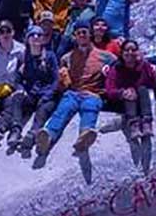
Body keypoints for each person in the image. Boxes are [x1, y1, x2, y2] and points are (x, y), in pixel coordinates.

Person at [36, 21, 116, 157]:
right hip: (73, 93)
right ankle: (48, 136)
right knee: (62, 110)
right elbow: (62, 83)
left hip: (93, 93)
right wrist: (62, 80)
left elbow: (116, 71)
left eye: (84, 32)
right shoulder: (67, 58)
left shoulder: (106, 57)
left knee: (90, 108)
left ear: (90, 34)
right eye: (78, 33)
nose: (81, 35)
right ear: (75, 36)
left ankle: (84, 136)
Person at [13, 25, 60, 158]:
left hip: (46, 94)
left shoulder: (50, 57)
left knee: (43, 110)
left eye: (39, 35)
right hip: (30, 93)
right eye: (32, 35)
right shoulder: (24, 57)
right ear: (27, 39)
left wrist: (48, 94)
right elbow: (17, 79)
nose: (36, 38)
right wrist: (20, 89)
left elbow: (56, 79)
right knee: (16, 99)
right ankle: (16, 130)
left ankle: (33, 133)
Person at [104, 39, 156, 141]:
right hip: (122, 103)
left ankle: (147, 122)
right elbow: (110, 90)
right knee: (130, 91)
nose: (130, 53)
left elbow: (152, 83)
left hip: (141, 102)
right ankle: (134, 124)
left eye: (133, 50)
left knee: (142, 89)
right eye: (127, 50)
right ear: (122, 52)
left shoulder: (144, 65)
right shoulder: (116, 69)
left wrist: (152, 73)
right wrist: (122, 93)